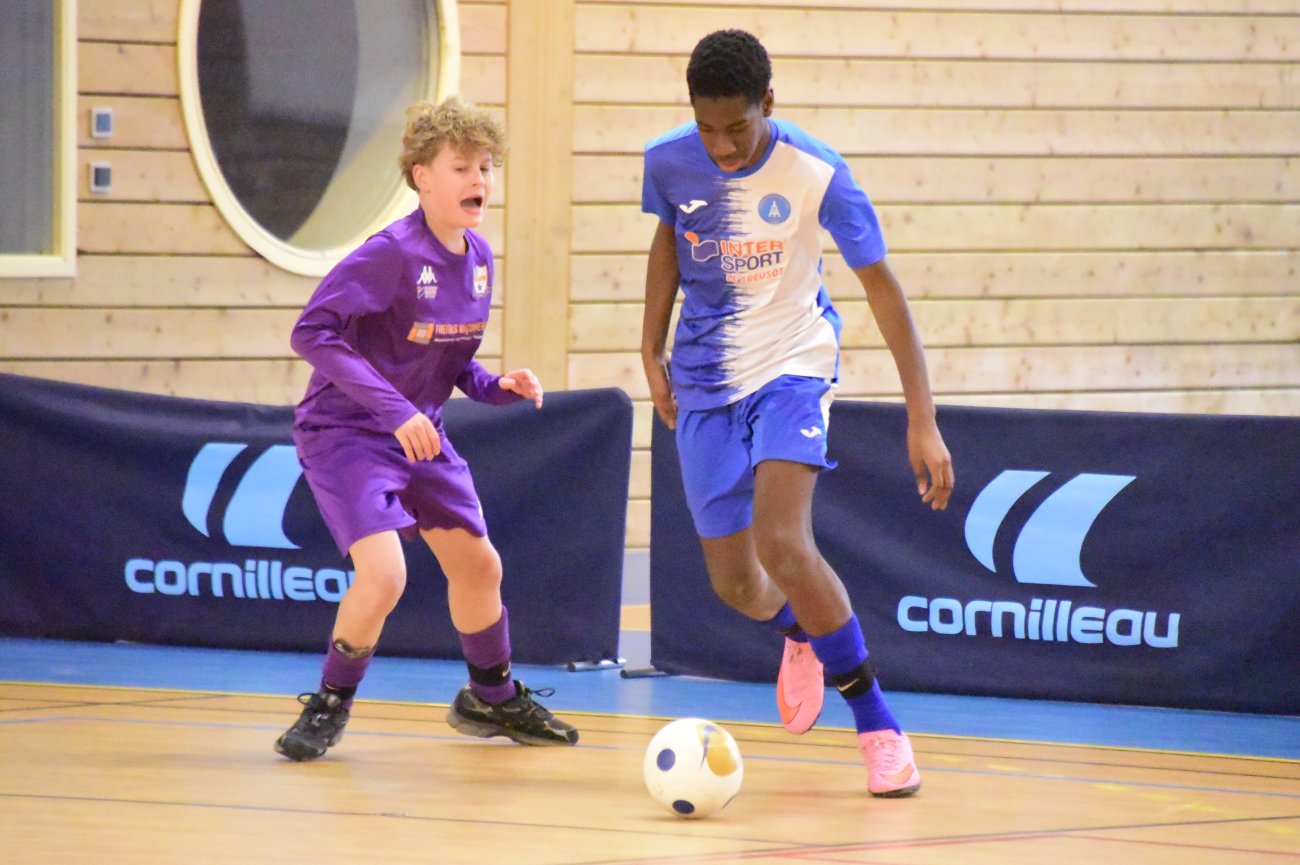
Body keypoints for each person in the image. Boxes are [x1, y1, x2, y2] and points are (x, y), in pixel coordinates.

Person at [640, 30, 953, 797]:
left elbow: (884, 290)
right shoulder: (668, 160)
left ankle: (878, 725)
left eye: (737, 128)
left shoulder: (819, 172)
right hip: (705, 378)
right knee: (736, 584)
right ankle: (801, 632)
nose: (722, 146)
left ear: (768, 104)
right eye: (707, 128)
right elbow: (668, 238)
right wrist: (649, 346)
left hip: (793, 366)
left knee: (783, 541)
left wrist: (922, 417)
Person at [275, 96, 578, 761]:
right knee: (384, 576)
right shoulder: (388, 254)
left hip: (421, 432)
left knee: (479, 564)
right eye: (462, 167)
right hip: (346, 433)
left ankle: (490, 697)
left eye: (485, 167)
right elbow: (311, 332)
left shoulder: (479, 258)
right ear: (422, 177)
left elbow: (448, 355)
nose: (479, 180)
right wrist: (396, 411)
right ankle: (330, 701)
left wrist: (495, 386)